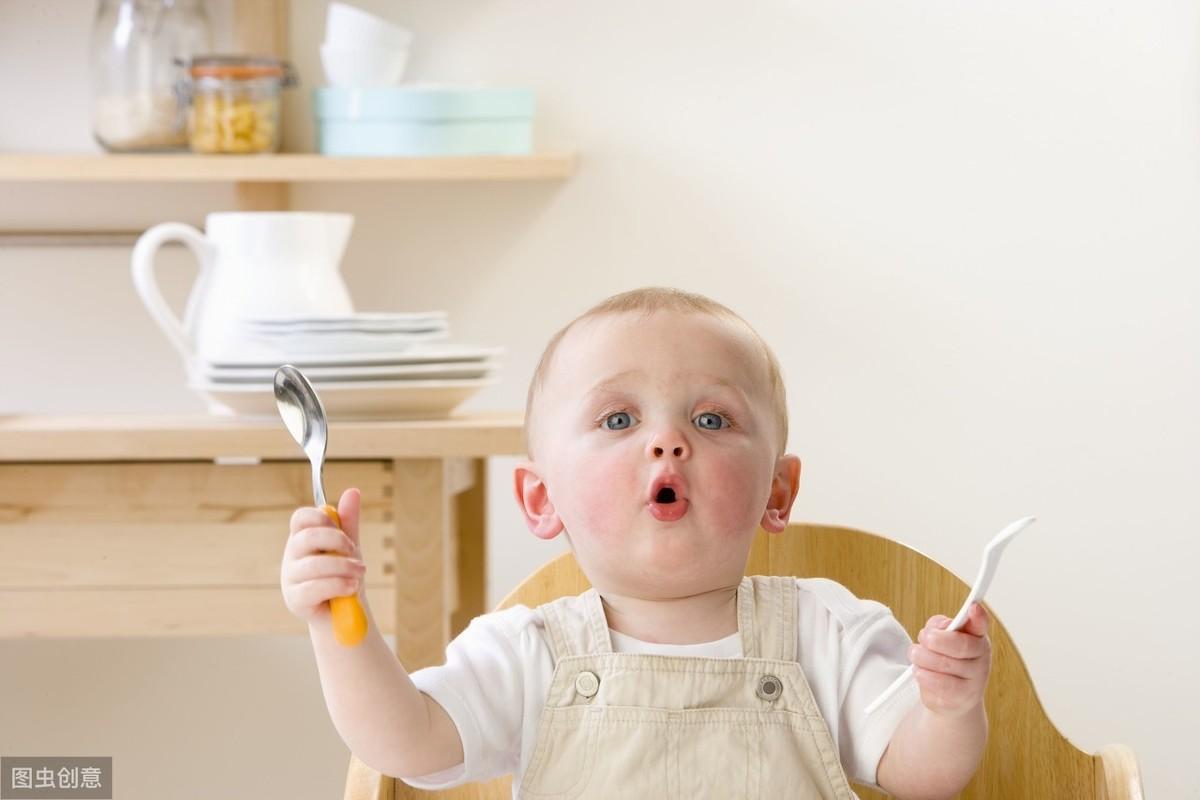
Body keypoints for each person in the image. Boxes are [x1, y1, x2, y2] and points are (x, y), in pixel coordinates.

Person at [282, 287, 991, 799]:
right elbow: (405, 744)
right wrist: (338, 624)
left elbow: (924, 775)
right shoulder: (528, 653)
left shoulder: (828, 633)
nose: (667, 440)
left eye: (712, 420)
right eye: (619, 419)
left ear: (777, 492)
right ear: (542, 498)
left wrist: (949, 709)